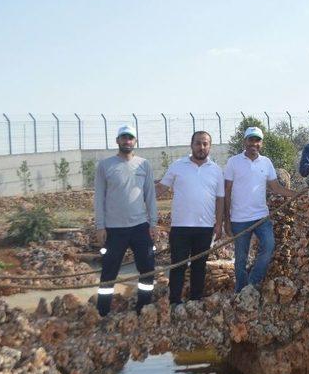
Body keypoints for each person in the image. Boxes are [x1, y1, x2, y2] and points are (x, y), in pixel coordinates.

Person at [94, 125, 157, 316]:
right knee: (109, 272)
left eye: (130, 138)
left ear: (135, 141)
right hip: (114, 229)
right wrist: (100, 226)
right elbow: (99, 198)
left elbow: (150, 196)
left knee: (147, 269)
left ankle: (143, 307)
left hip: (140, 227)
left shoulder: (144, 164)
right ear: (117, 141)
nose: (127, 141)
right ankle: (103, 311)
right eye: (124, 138)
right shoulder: (105, 166)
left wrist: (153, 223)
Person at [224, 126, 296, 292]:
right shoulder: (233, 162)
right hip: (239, 219)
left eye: (257, 140)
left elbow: (275, 187)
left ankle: (252, 283)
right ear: (245, 141)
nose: (254, 144)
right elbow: (226, 191)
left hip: (261, 217)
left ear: (261, 143)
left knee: (269, 245)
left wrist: (296, 193)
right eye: (251, 140)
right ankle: (240, 290)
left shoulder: (266, 162)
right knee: (241, 258)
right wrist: (226, 220)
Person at [156, 131, 224, 306]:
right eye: (198, 143)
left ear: (210, 146)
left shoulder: (216, 170)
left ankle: (195, 301)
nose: (201, 147)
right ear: (191, 145)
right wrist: (139, 194)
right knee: (178, 265)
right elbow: (161, 189)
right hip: (180, 227)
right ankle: (174, 302)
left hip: (205, 228)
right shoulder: (178, 166)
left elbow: (220, 199)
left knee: (199, 266)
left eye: (205, 144)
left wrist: (219, 224)